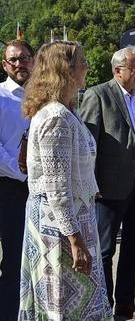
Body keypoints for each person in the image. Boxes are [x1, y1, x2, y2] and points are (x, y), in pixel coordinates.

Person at [18, 41, 113, 320]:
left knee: (71, 304)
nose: (87, 67)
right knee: (60, 304)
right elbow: (56, 189)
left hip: (70, 219)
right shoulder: (56, 117)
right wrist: (75, 240)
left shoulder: (65, 111)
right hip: (59, 228)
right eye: (82, 62)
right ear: (66, 70)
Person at [79, 46, 135, 320]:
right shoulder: (98, 95)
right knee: (104, 250)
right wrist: (91, 185)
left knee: (134, 246)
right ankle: (103, 305)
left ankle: (125, 302)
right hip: (108, 187)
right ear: (117, 70)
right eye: (134, 69)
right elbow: (88, 145)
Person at [0, 40, 34, 319]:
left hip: (39, 189)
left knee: (31, 259)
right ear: (4, 64)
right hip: (9, 187)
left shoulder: (42, 97)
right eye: (14, 59)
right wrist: (23, 173)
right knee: (13, 258)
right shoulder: (0, 96)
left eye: (24, 58)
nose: (19, 64)